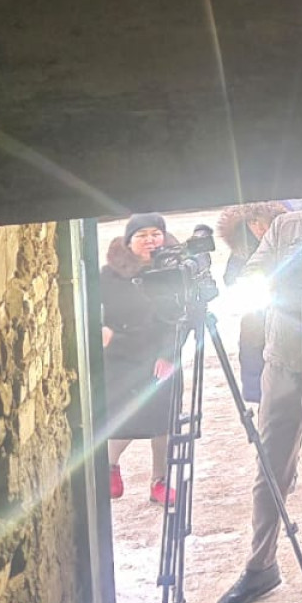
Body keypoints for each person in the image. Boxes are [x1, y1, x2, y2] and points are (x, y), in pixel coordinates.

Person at [214, 195, 302, 603]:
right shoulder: (287, 227)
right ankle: (261, 566)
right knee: (271, 469)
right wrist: (282, 279)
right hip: (285, 361)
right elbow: (251, 276)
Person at [100, 213, 183, 506]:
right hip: (121, 355)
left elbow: (182, 318)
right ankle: (109, 467)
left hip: (160, 355)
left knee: (162, 421)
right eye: (142, 235)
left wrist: (168, 354)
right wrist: (102, 329)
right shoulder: (110, 274)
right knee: (126, 416)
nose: (150, 240)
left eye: (155, 234)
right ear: (129, 241)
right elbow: (93, 307)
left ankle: (159, 481)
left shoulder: (175, 269)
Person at [215, 202, 285, 403]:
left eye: (265, 221)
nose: (260, 228)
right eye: (254, 222)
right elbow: (230, 279)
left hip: (290, 320)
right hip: (255, 322)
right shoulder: (241, 249)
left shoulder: (289, 243)